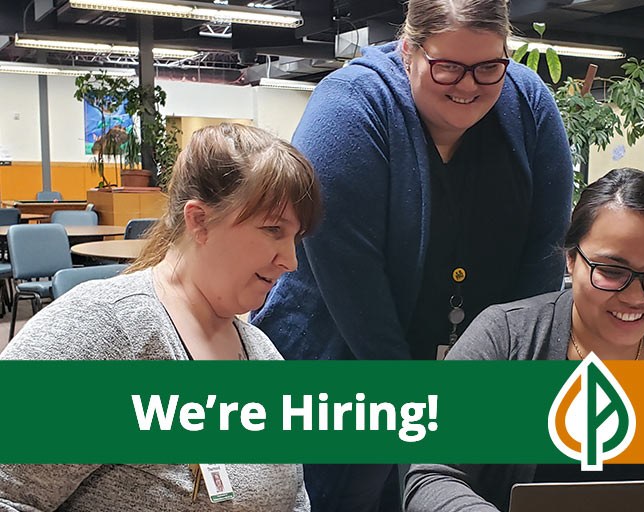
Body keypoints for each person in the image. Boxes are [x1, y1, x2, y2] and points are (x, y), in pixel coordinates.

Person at [251, 0, 572, 508]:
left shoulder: (528, 107)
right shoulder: (350, 109)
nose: (468, 85)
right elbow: (354, 289)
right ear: (407, 50)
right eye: (447, 66)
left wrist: (502, 379)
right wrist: (419, 417)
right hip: (343, 360)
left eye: (489, 66)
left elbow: (543, 259)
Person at [0, 123, 321, 511]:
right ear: (199, 221)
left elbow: (294, 498)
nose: (290, 261)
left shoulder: (261, 352)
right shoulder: (104, 331)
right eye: (273, 230)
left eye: (295, 238)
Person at [402, 168, 644, 512]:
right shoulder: (505, 339)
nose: (635, 297)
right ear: (571, 259)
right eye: (612, 271)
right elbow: (433, 475)